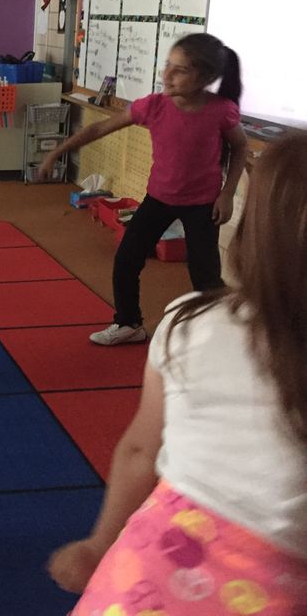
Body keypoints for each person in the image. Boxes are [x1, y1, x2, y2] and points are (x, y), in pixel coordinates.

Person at [47, 131, 307, 615]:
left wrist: (100, 545)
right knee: (130, 257)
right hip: (267, 591)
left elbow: (141, 449)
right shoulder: (194, 322)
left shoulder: (192, 322)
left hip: (146, 572)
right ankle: (126, 320)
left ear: (253, 234)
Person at [38, 33, 248, 345]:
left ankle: (216, 336)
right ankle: (128, 323)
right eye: (167, 65)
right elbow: (100, 127)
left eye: (180, 70)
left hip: (203, 204)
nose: (167, 74)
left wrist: (227, 193)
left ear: (205, 78)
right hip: (159, 199)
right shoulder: (153, 106)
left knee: (205, 276)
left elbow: (240, 148)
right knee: (126, 260)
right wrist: (57, 152)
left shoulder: (221, 110)